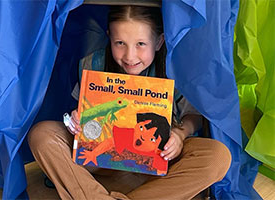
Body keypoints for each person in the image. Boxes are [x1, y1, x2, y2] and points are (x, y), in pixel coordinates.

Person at [28, 5, 231, 200]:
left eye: (140, 44)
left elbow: (193, 115)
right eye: (120, 43)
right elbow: (83, 112)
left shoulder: (173, 66)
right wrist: (77, 118)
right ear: (109, 37)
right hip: (101, 157)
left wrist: (180, 133)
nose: (129, 56)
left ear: (159, 42)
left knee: (219, 156)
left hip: (159, 157)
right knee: (41, 134)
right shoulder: (93, 64)